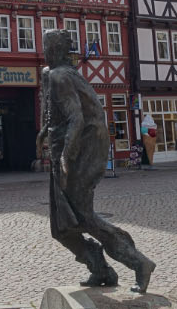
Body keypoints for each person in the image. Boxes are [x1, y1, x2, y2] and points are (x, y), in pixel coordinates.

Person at [35, 29, 155, 293]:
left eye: (48, 47)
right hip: (68, 148)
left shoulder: (60, 75)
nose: (45, 51)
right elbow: (56, 111)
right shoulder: (53, 73)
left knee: (82, 216)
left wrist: (66, 155)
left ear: (57, 49)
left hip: (82, 149)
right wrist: (45, 132)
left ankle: (139, 263)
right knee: (61, 227)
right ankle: (100, 269)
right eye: (44, 46)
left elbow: (76, 118)